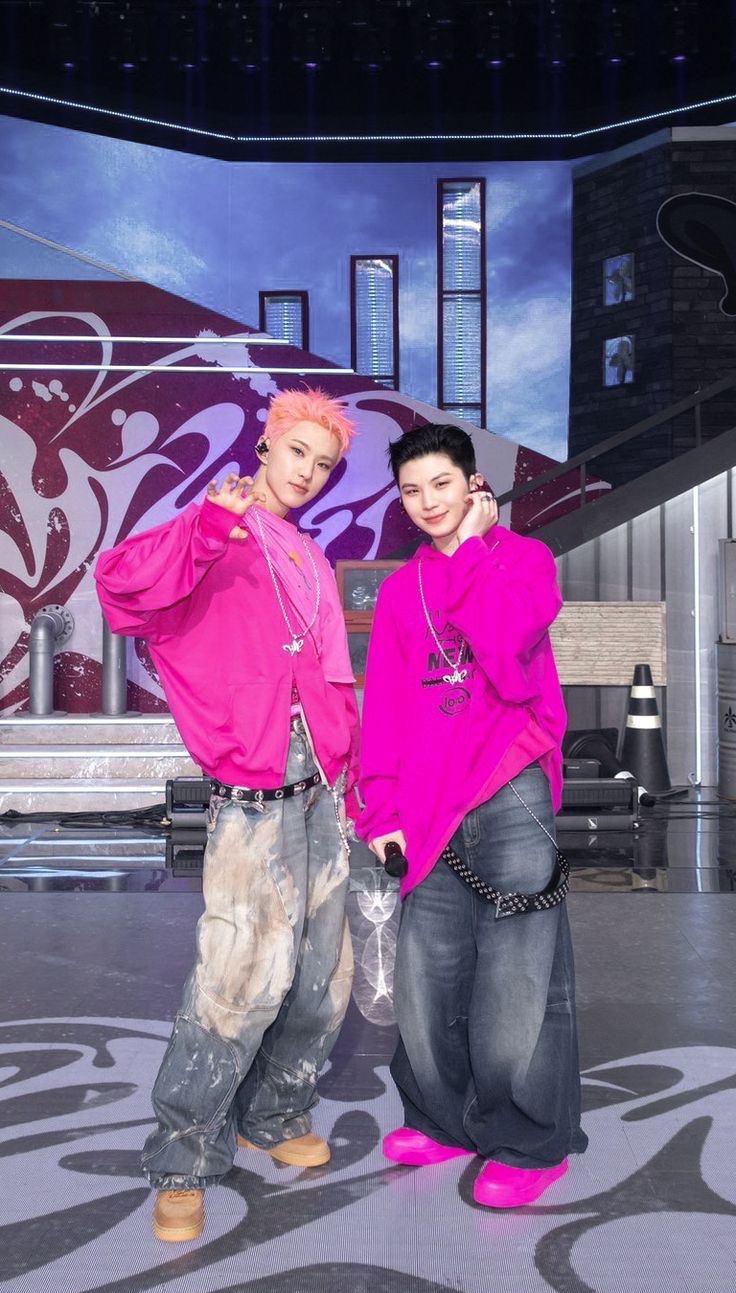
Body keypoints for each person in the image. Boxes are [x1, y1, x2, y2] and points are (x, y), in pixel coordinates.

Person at [96, 388, 360, 1242]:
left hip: (324, 789)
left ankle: (275, 1115)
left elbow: (329, 678)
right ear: (266, 447)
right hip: (252, 794)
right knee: (239, 982)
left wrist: (353, 770)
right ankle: (183, 1158)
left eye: (324, 464)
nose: (308, 473)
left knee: (321, 978)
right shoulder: (218, 527)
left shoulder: (309, 554)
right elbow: (122, 588)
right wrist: (209, 528)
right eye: (298, 453)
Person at [356, 422, 588, 1209]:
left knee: (519, 977)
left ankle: (528, 1140)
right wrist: (379, 806)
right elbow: (387, 706)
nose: (427, 503)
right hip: (428, 803)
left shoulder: (523, 561)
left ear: (473, 485)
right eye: (411, 491)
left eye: (441, 485)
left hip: (512, 787)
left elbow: (507, 655)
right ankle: (442, 1118)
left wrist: (476, 554)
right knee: (428, 972)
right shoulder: (399, 591)